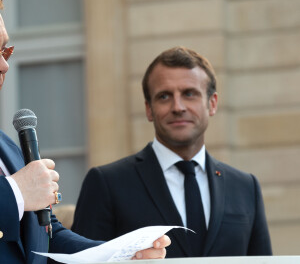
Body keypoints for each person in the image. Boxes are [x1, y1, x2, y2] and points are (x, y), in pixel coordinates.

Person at [0, 0, 170, 264]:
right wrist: (15, 193)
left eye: (5, 50)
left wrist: (122, 255)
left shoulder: (7, 147)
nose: (4, 65)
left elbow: (49, 236)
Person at [72, 46, 273, 257]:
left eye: (189, 94)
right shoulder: (107, 183)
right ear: (149, 109)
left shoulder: (245, 187)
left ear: (212, 104)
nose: (178, 107)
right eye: (164, 96)